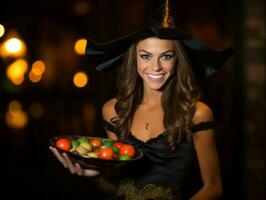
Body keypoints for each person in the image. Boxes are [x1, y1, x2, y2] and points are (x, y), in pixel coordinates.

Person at [49, 0, 233, 199]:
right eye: (145, 56)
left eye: (166, 56)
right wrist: (95, 176)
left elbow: (214, 188)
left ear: (178, 59)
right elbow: (117, 188)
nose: (155, 67)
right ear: (134, 58)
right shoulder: (114, 111)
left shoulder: (197, 113)